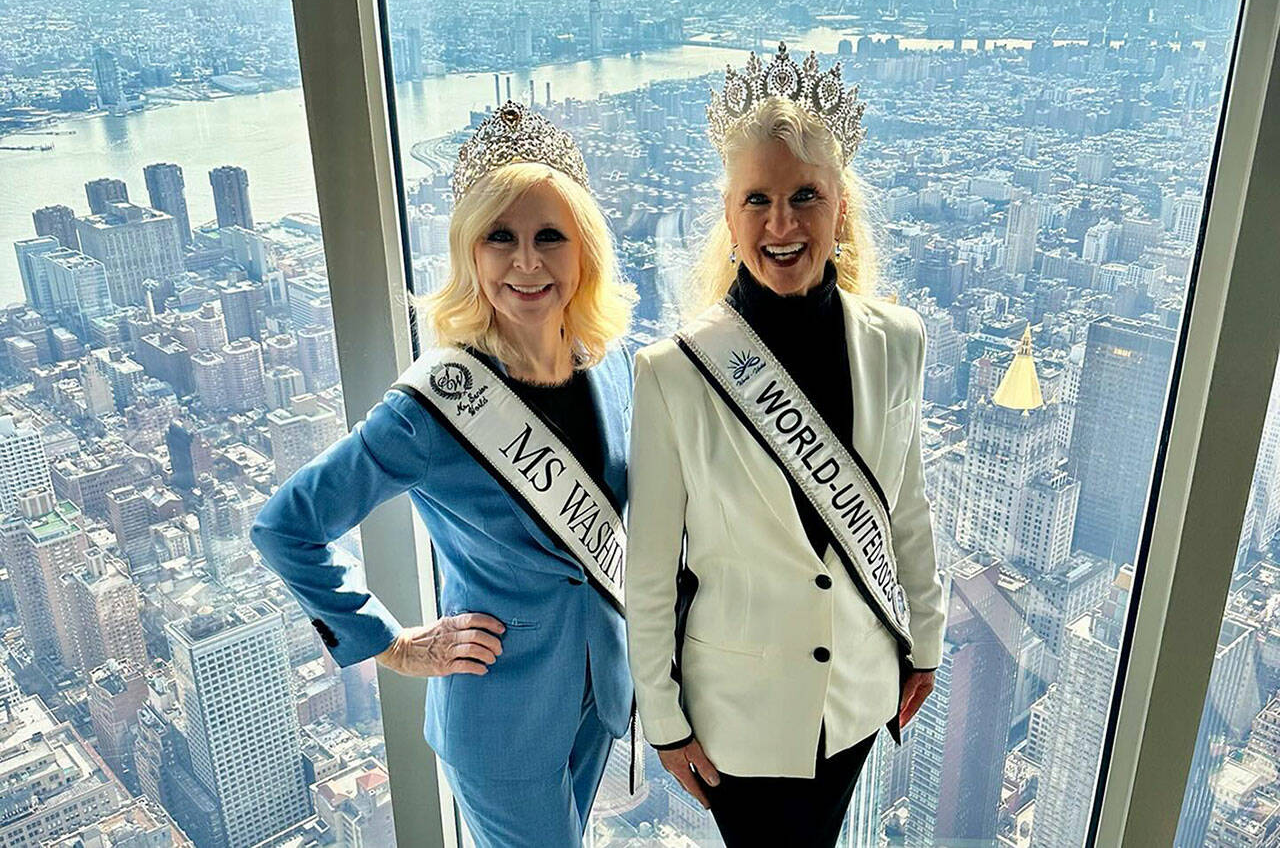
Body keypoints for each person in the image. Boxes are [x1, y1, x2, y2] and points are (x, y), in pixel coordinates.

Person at [251, 100, 637, 847]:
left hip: (599, 694)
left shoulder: (611, 361)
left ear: (582, 250)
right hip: (499, 722)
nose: (526, 261)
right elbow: (284, 526)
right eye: (501, 237)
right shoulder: (433, 405)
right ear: (470, 253)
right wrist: (394, 645)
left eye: (549, 236)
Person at [624, 44, 947, 847]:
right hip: (738, 718)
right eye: (757, 199)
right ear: (729, 218)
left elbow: (905, 507)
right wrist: (663, 719)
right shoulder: (672, 374)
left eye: (806, 195)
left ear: (841, 207)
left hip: (859, 694)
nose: (782, 223)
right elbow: (651, 569)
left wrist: (926, 640)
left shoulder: (899, 340)